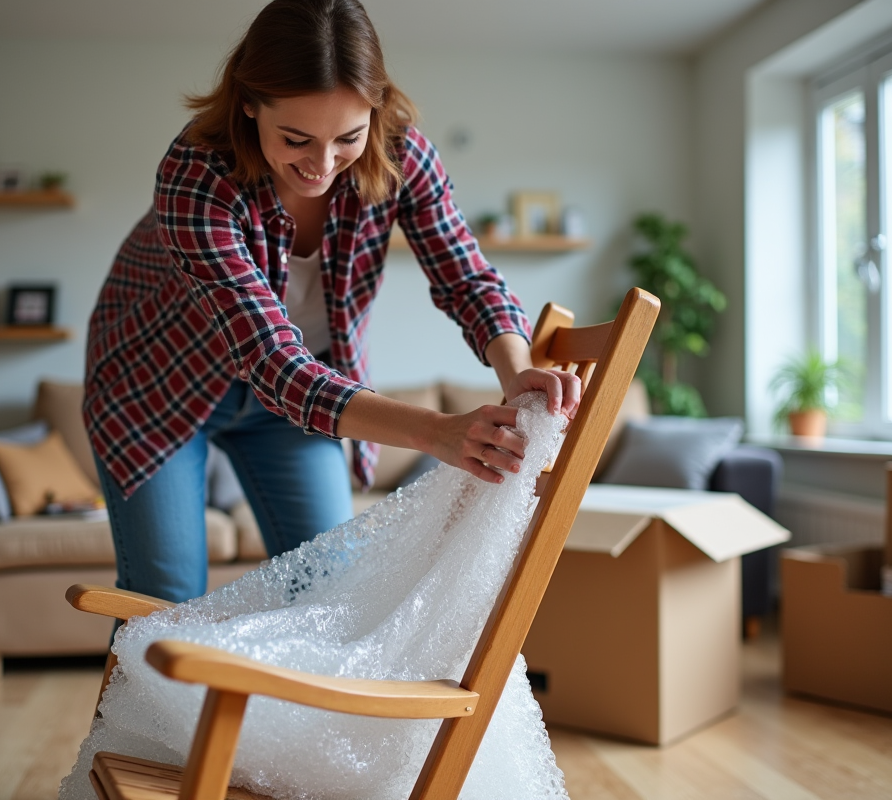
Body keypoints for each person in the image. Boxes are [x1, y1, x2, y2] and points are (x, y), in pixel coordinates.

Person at [84, 0, 580, 606]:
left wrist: (516, 368)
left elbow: (468, 279)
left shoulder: (403, 156)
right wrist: (437, 432)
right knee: (164, 598)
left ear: (374, 109)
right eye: (296, 139)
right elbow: (270, 362)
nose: (321, 165)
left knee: (331, 590)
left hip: (304, 398)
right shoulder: (195, 174)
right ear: (248, 102)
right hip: (158, 383)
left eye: (348, 137)